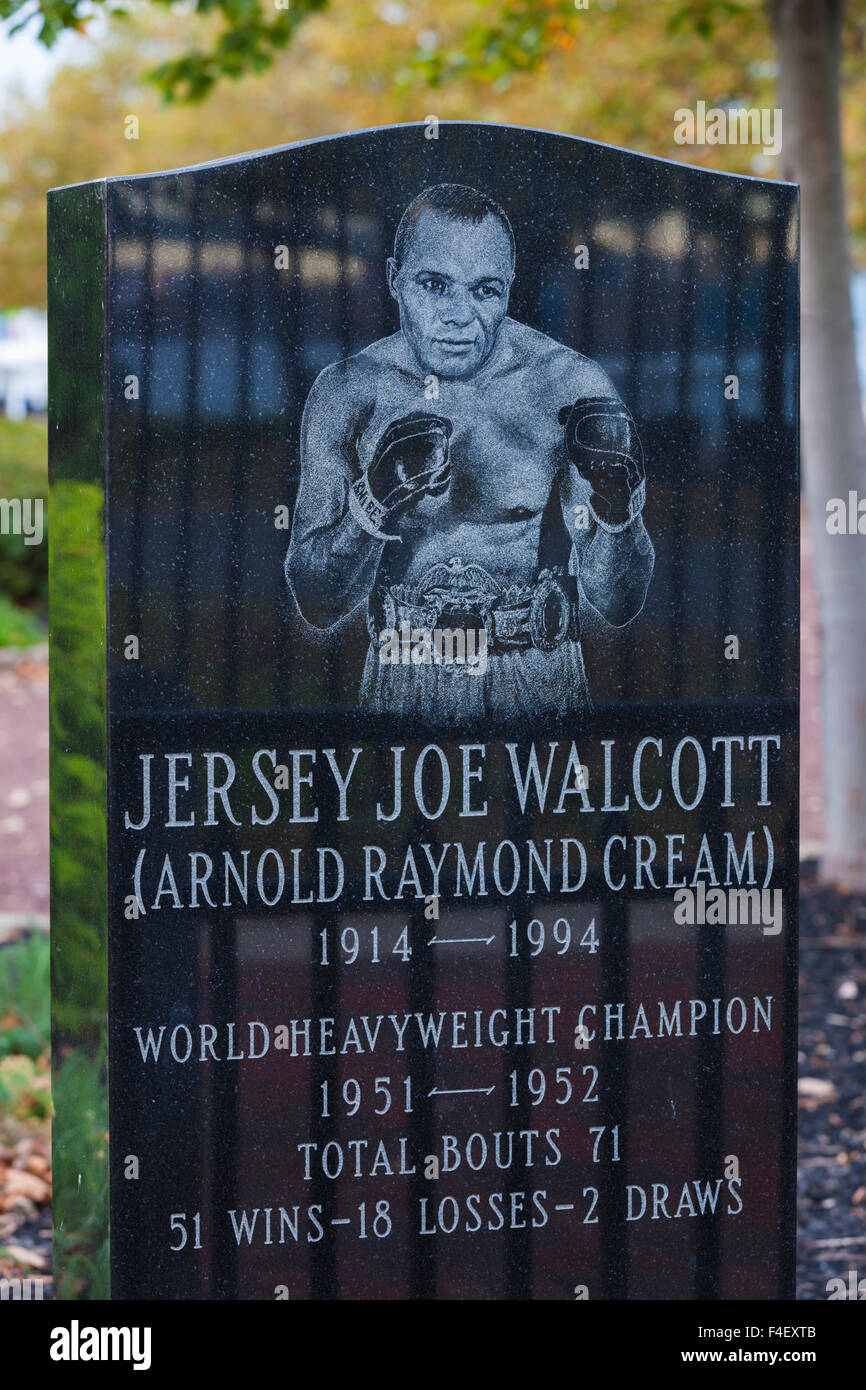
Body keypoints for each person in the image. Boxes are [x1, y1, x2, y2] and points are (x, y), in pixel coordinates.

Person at [285, 182, 654, 720]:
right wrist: (370, 506)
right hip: (404, 666)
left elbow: (618, 604)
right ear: (395, 281)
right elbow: (317, 602)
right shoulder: (350, 391)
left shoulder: (566, 385)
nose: (459, 315)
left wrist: (618, 508)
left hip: (538, 668)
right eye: (435, 285)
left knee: (546, 809)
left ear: (509, 288)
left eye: (484, 291)